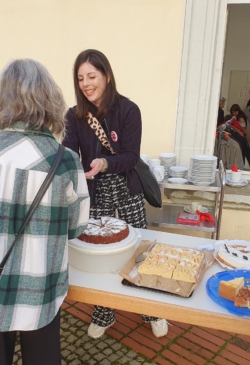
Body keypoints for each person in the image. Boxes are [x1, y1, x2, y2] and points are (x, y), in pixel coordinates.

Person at [0, 59, 90, 365]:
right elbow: (76, 226)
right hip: (42, 283)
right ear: (51, 100)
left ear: (2, 98)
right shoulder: (66, 159)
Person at [63, 49, 169, 339]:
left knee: (139, 251)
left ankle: (150, 309)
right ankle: (104, 312)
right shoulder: (74, 115)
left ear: (107, 76)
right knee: (100, 253)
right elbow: (70, 152)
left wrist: (105, 163)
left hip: (126, 190)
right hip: (95, 192)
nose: (86, 84)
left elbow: (131, 156)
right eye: (80, 78)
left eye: (92, 76)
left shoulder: (128, 110)